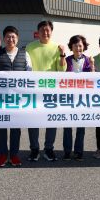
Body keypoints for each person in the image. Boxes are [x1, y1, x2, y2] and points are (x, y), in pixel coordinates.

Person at [0, 26, 32, 167]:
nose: (10, 39)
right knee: (1, 127)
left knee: (15, 128)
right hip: (1, 97)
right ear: (3, 38)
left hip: (18, 98)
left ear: (17, 39)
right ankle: (2, 154)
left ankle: (14, 155)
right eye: (8, 37)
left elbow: (30, 73)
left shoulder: (24, 54)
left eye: (13, 37)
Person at [25, 21, 67, 162]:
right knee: (33, 121)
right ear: (38, 32)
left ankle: (49, 149)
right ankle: (34, 149)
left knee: (51, 120)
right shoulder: (30, 47)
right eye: (42, 30)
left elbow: (62, 70)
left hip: (51, 90)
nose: (45, 32)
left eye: (48, 30)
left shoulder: (57, 48)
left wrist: (62, 55)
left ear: (51, 31)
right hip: (33, 90)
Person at [62, 35, 94, 161]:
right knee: (67, 125)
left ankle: (79, 151)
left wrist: (92, 66)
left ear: (84, 47)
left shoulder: (88, 60)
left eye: (80, 45)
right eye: (75, 46)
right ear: (71, 47)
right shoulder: (67, 60)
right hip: (69, 97)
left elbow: (93, 78)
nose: (78, 48)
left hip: (83, 97)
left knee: (81, 126)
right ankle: (67, 151)